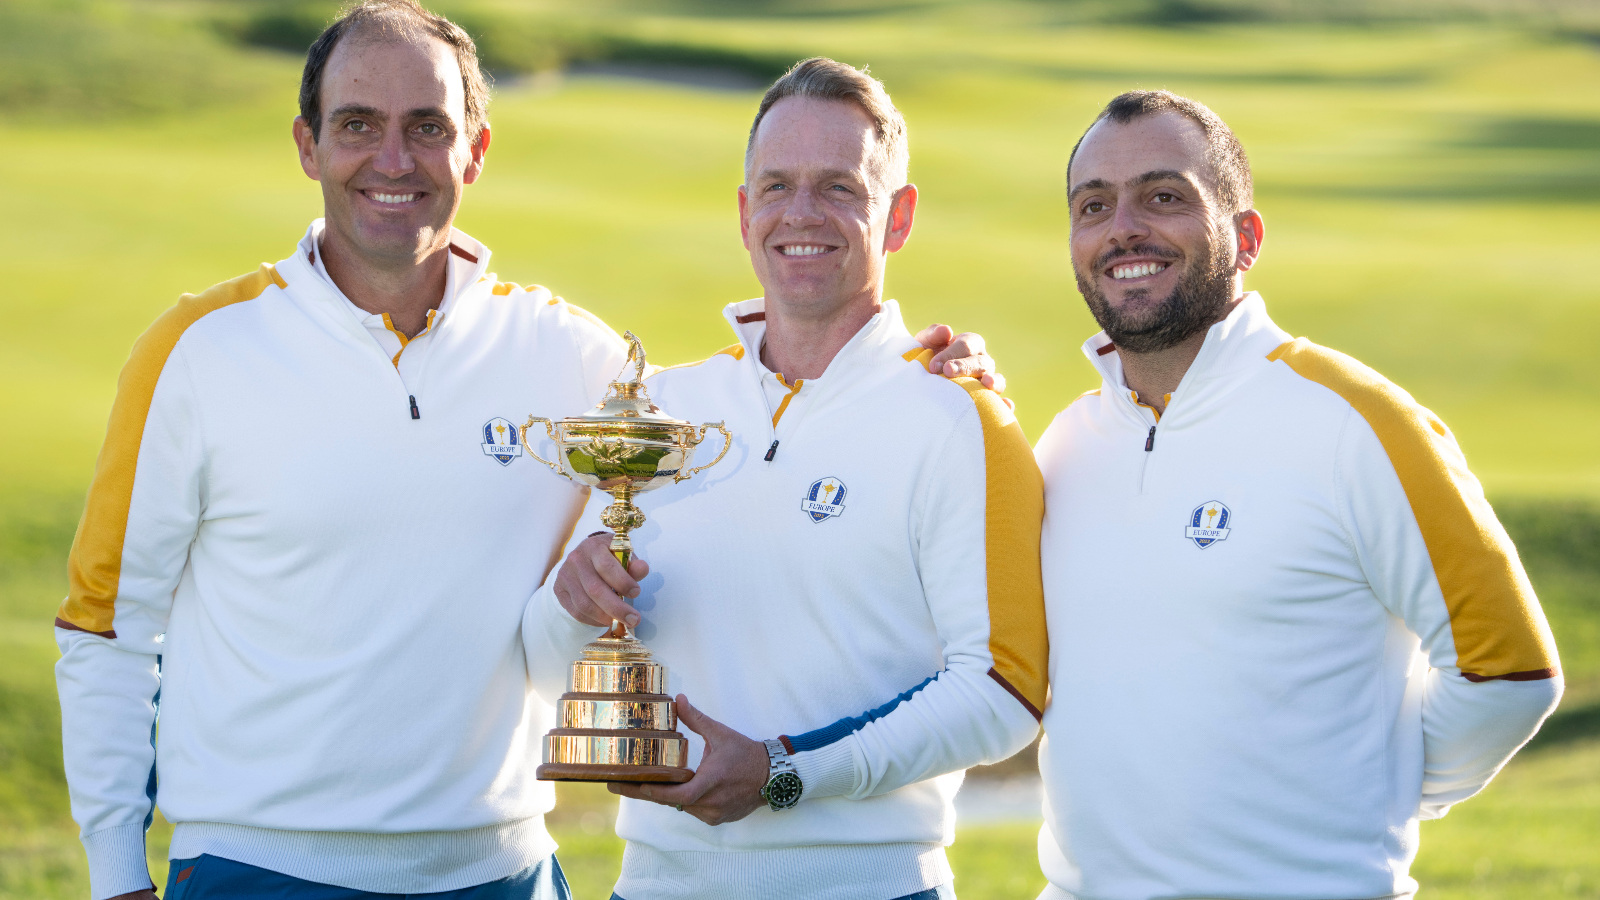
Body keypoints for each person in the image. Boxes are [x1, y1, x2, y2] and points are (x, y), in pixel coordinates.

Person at [51, 5, 995, 899]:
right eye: (357, 125)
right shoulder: (198, 351)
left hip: (504, 872)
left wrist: (927, 375)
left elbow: (748, 413)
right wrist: (112, 866)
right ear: (308, 145)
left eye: (428, 126)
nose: (393, 158)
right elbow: (108, 625)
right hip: (255, 869)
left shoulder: (574, 356)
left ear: (476, 149)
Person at [527, 58, 1049, 900]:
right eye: (776, 186)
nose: (800, 214)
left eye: (839, 187)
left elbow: (1001, 691)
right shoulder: (659, 408)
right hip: (654, 885)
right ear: (743, 212)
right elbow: (550, 670)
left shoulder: (961, 419)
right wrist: (568, 603)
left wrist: (785, 772)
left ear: (899, 215)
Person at [1032, 89, 1563, 900]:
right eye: (1093, 206)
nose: (1122, 229)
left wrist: (1365, 788)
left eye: (1164, 196)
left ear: (1244, 237)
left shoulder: (1359, 420)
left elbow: (1512, 671)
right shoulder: (1064, 443)